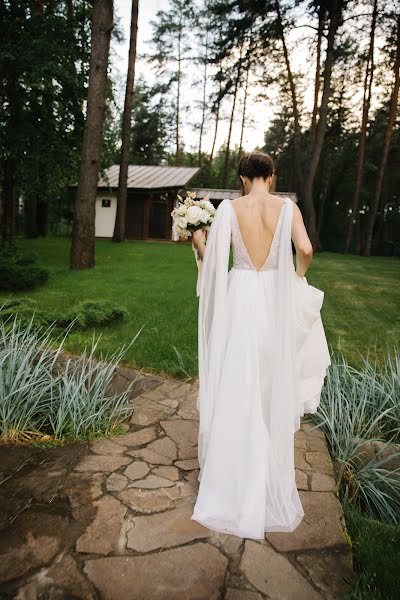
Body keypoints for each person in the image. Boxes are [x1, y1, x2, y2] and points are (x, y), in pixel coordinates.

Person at [189, 150, 331, 539]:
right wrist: (297, 279)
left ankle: (232, 474)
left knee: (239, 382)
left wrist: (199, 240)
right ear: (272, 176)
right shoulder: (287, 209)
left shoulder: (229, 211)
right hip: (273, 300)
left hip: (240, 299)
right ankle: (266, 473)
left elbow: (215, 263)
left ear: (241, 177)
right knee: (269, 383)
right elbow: (305, 250)